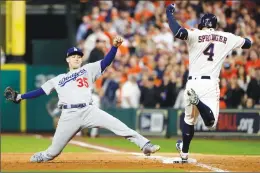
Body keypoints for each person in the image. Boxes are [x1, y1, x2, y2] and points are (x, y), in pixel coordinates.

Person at [4, 36, 160, 163]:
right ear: (67, 60)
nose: (77, 58)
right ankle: (43, 156)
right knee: (53, 152)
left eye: (79, 56)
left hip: (88, 110)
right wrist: (20, 96)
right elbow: (40, 91)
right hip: (69, 115)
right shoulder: (58, 79)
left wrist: (114, 47)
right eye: (73, 56)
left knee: (118, 125)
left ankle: (145, 145)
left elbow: (106, 62)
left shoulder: (88, 69)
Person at [166, 4, 251, 163]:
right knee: (211, 122)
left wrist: (169, 14)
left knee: (189, 120)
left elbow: (177, 31)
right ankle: (198, 103)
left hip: (192, 83)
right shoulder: (226, 37)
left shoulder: (195, 33)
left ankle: (184, 154)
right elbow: (248, 43)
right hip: (210, 83)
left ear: (202, 24)